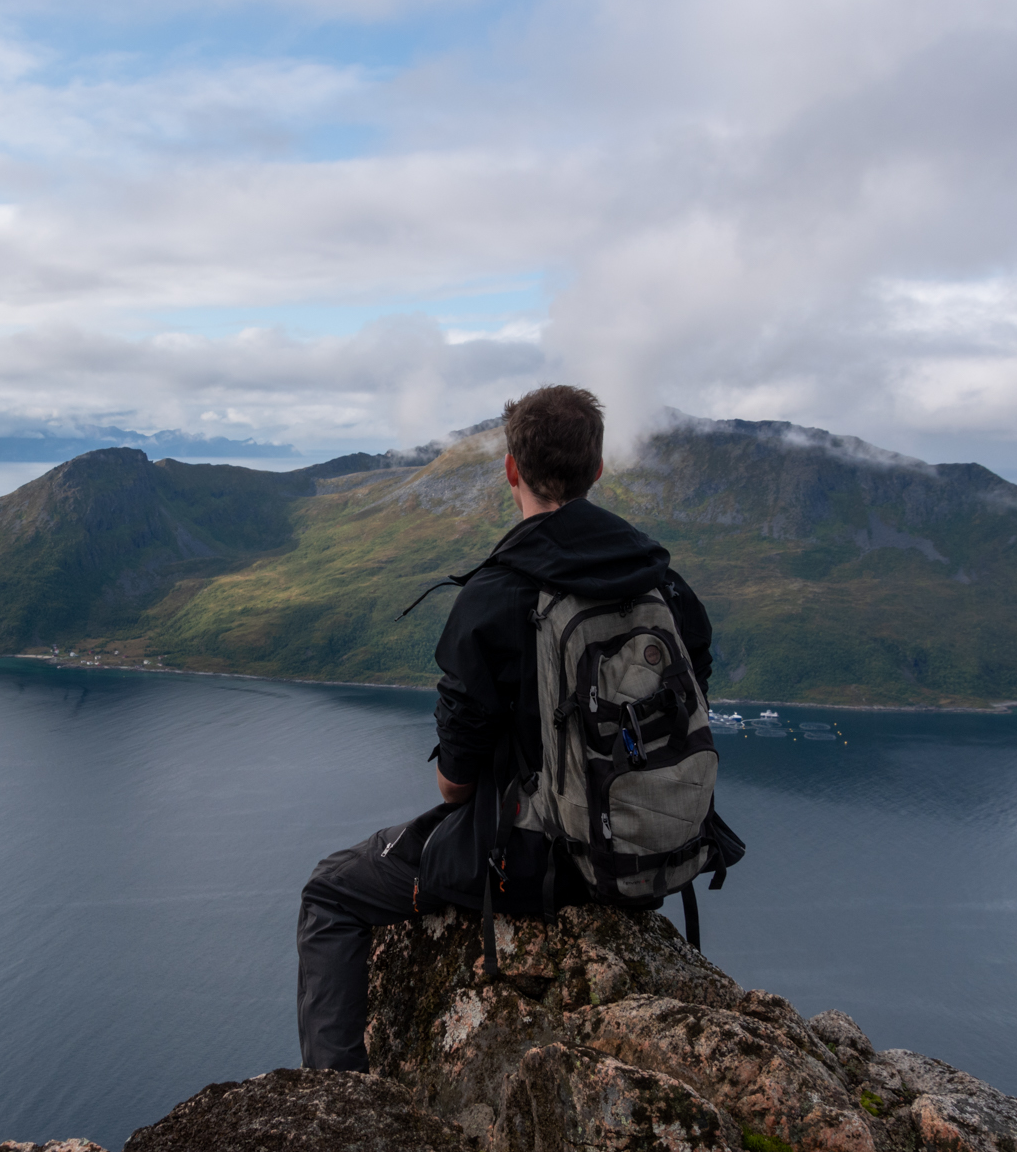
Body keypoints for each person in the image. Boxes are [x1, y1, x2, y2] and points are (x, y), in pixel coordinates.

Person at [295, 384, 713, 1072]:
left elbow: (455, 785)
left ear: (511, 468)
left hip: (539, 863)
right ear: (598, 469)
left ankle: (336, 1100)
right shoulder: (662, 583)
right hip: (649, 852)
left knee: (331, 891)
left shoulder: (495, 594)